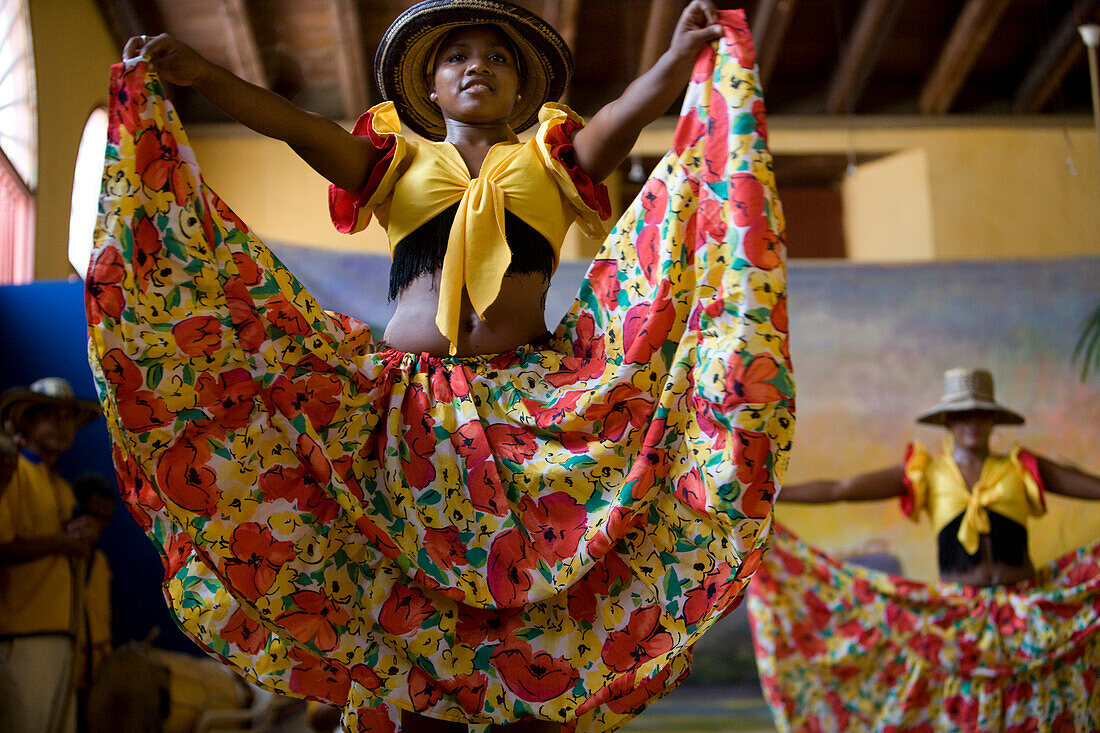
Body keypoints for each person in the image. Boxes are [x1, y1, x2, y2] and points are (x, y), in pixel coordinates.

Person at [87, 1, 796, 731]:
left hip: (527, 408)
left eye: (497, 57)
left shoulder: (550, 156)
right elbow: (294, 124)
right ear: (428, 85)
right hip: (406, 410)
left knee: (527, 601)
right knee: (403, 605)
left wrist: (677, 61)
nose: (477, 67)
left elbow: (621, 115)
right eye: (458, 56)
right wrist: (200, 74)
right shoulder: (396, 160)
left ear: (522, 89)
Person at [749, 367, 1100, 731]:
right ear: (948, 420)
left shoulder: (1021, 467)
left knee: (1032, 702)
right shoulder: (927, 472)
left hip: (1025, 608)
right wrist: (771, 496)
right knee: (961, 705)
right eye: (963, 414)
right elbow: (842, 489)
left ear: (993, 419)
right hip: (959, 613)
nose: (972, 422)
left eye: (980, 413)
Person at [0, 378, 103, 733]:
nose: (62, 426)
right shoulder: (11, 473)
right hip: (24, 635)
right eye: (50, 417)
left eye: (67, 418)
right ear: (27, 421)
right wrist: (62, 542)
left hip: (64, 635)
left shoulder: (62, 487)